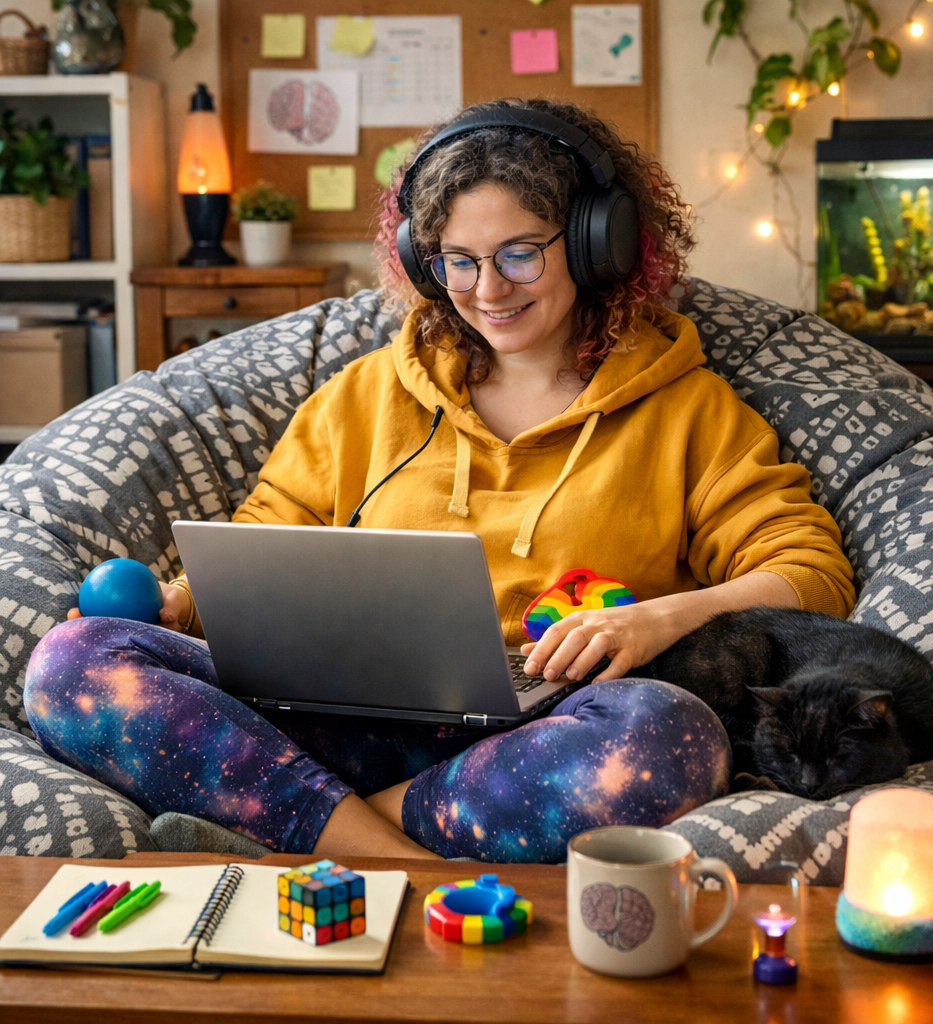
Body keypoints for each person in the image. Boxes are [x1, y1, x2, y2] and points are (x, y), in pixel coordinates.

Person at [23, 98, 855, 864]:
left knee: (671, 737)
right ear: (425, 261)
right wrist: (177, 601)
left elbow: (812, 573)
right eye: (458, 260)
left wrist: (659, 618)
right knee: (71, 661)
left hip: (542, 731)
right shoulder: (365, 394)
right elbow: (268, 545)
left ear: (602, 241)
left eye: (521, 254)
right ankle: (402, 857)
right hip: (335, 716)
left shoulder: (690, 411)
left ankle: (313, 839)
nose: (487, 291)